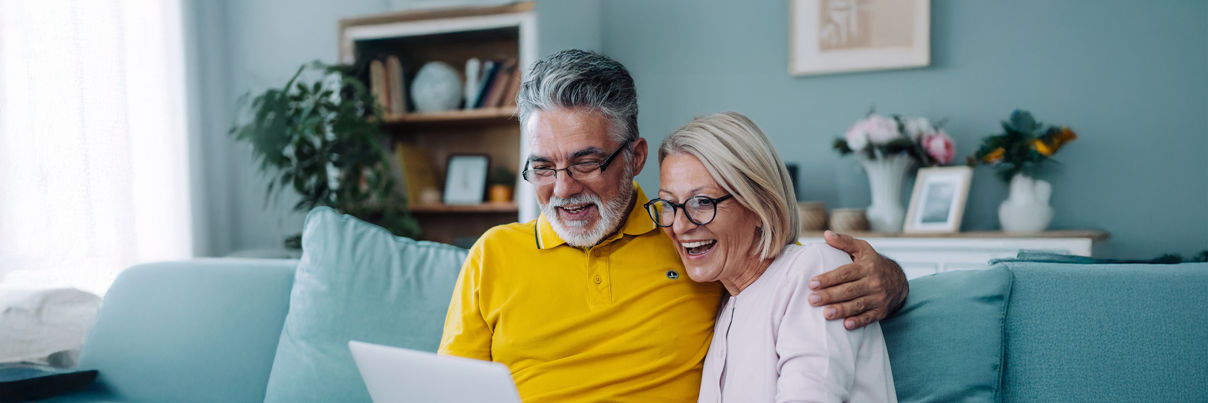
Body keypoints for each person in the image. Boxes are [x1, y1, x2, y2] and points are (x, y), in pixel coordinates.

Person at [438, 49, 906, 402]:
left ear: (635, 157)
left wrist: (891, 279)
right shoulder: (492, 255)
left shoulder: (697, 245)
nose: (562, 189)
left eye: (586, 162)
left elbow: (786, 267)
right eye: (542, 167)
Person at [650, 112, 896, 402]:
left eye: (702, 202)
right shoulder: (727, 300)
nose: (679, 226)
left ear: (758, 205)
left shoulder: (814, 269)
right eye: (668, 204)